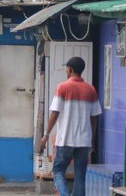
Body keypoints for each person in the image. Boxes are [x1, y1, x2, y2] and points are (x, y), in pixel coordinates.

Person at [40, 57, 102, 196]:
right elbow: (94, 117)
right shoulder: (90, 90)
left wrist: (46, 134)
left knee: (58, 170)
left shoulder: (63, 87)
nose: (66, 71)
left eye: (66, 69)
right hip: (84, 141)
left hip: (65, 140)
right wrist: (91, 140)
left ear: (70, 70)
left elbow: (54, 113)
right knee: (80, 175)